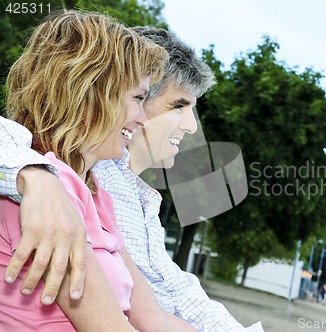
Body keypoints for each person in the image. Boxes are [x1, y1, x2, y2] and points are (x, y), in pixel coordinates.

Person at [0, 24, 264, 332]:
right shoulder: (48, 186)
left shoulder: (96, 195)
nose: (142, 118)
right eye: (138, 98)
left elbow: (156, 314)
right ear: (93, 95)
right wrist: (35, 177)